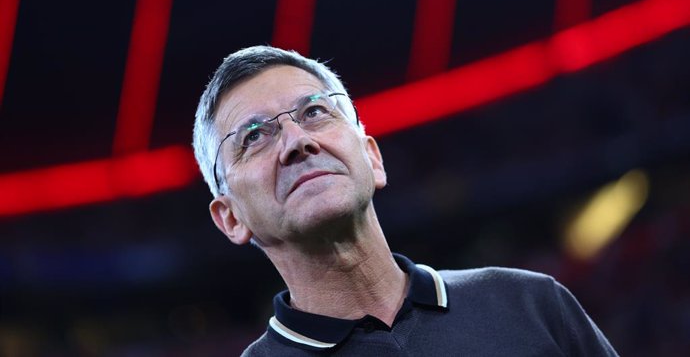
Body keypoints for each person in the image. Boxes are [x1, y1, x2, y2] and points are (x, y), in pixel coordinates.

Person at [193, 45, 618, 356]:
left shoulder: (530, 304)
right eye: (254, 137)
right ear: (229, 218)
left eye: (315, 112)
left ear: (373, 159)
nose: (297, 142)